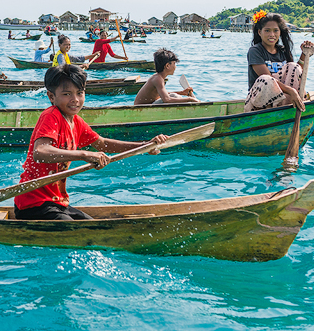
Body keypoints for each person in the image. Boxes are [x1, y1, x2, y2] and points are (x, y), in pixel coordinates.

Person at [13, 65, 167, 221]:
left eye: (80, 93)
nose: (75, 100)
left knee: (91, 223)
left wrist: (144, 146)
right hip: (32, 204)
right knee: (78, 230)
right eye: (67, 94)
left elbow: (103, 144)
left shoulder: (76, 122)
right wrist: (84, 154)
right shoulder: (50, 116)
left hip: (57, 201)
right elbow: (40, 152)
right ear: (51, 97)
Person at [244, 11, 314, 112]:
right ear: (260, 32)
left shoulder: (283, 51)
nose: (272, 34)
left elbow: (295, 74)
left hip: (282, 101)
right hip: (259, 103)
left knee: (293, 66)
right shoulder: (255, 51)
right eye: (267, 31)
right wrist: (291, 91)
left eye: (275, 30)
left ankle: (290, 107)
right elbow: (268, 80)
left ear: (280, 32)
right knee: (266, 79)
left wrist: (304, 54)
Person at [133, 49, 199, 105]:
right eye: (174, 64)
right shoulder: (158, 79)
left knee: (174, 95)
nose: (175, 67)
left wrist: (182, 93)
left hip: (147, 106)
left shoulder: (158, 77)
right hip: (141, 109)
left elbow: (162, 95)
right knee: (175, 97)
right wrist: (190, 99)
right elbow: (166, 100)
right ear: (167, 66)